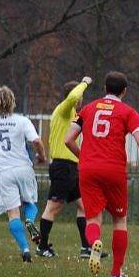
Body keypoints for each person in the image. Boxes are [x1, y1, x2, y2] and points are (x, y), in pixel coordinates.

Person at [64, 71, 139, 277]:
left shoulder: (88, 109)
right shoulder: (128, 112)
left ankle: (94, 242)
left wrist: (84, 157)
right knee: (120, 219)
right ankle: (115, 274)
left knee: (93, 217)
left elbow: (68, 140)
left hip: (88, 169)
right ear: (124, 91)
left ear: (104, 89)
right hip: (114, 169)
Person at [0, 86, 47, 262]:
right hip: (23, 168)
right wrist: (42, 156)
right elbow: (36, 140)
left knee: (13, 214)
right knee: (30, 203)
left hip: (4, 172)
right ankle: (29, 221)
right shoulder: (21, 121)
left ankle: (25, 250)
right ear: (12, 102)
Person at [36, 76, 107, 259]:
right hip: (62, 166)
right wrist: (84, 83)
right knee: (53, 206)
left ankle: (86, 248)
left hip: (73, 167)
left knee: (84, 206)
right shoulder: (64, 110)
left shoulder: (74, 116)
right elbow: (73, 97)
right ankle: (42, 246)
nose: (81, 100)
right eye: (80, 97)